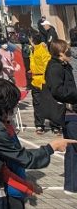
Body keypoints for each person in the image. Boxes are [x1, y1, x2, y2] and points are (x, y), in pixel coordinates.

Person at [0, 77, 75, 208]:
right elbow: (23, 158)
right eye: (14, 106)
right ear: (6, 106)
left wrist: (26, 185)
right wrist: (51, 148)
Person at [45, 38, 77, 193]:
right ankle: (71, 185)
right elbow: (58, 91)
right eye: (67, 51)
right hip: (69, 113)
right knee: (73, 146)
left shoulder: (63, 65)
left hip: (71, 111)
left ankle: (71, 185)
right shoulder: (55, 67)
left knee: (72, 148)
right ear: (60, 53)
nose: (69, 53)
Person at [28, 32, 53, 134]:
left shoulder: (42, 49)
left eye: (30, 39)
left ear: (32, 40)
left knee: (49, 102)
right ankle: (39, 125)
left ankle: (55, 125)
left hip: (43, 80)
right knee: (37, 103)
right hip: (35, 80)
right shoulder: (32, 50)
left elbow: (47, 65)